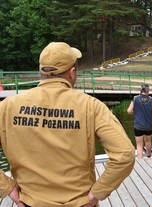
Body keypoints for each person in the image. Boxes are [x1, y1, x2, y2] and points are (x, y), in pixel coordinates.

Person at [0, 42, 135, 207]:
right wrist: (97, 193)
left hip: (30, 203)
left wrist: (8, 188)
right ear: (72, 73)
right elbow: (125, 155)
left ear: (41, 71)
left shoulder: (7, 106)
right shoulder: (90, 106)